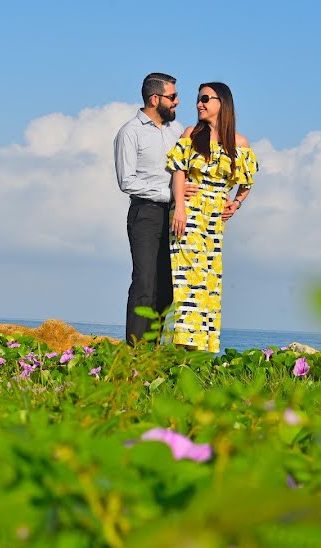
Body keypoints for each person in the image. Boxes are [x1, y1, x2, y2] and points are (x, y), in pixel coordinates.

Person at [166, 82, 258, 353]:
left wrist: (237, 203)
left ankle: (203, 348)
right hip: (189, 212)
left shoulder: (239, 143)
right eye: (198, 99)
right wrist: (180, 206)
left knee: (208, 279)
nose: (199, 104)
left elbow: (248, 180)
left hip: (215, 220)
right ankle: (182, 345)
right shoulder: (191, 134)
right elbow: (178, 170)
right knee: (185, 278)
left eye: (205, 98)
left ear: (222, 103)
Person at [114, 73, 187, 346]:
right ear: (154, 99)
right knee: (144, 282)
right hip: (145, 213)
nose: (177, 102)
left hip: (175, 215)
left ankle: (153, 351)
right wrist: (170, 194)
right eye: (172, 97)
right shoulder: (129, 132)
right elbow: (126, 181)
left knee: (167, 287)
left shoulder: (177, 131)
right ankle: (134, 352)